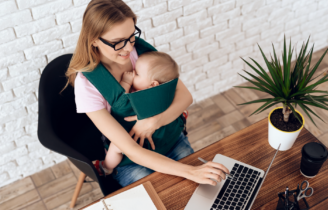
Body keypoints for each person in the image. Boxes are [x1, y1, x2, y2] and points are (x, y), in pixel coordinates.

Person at [63, 0, 229, 187]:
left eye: (131, 36)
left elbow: (185, 96)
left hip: (169, 139)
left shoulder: (139, 51)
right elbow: (131, 150)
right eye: (117, 43)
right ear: (93, 39)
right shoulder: (87, 86)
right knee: (161, 194)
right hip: (131, 159)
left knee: (201, 187)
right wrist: (190, 171)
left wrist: (153, 122)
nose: (128, 48)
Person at [93, 51, 181, 176]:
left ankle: (106, 167)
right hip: (160, 140)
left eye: (138, 74)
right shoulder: (166, 95)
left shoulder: (138, 96)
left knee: (116, 147)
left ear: (153, 84)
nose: (133, 74)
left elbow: (120, 100)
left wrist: (126, 82)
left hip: (137, 143)